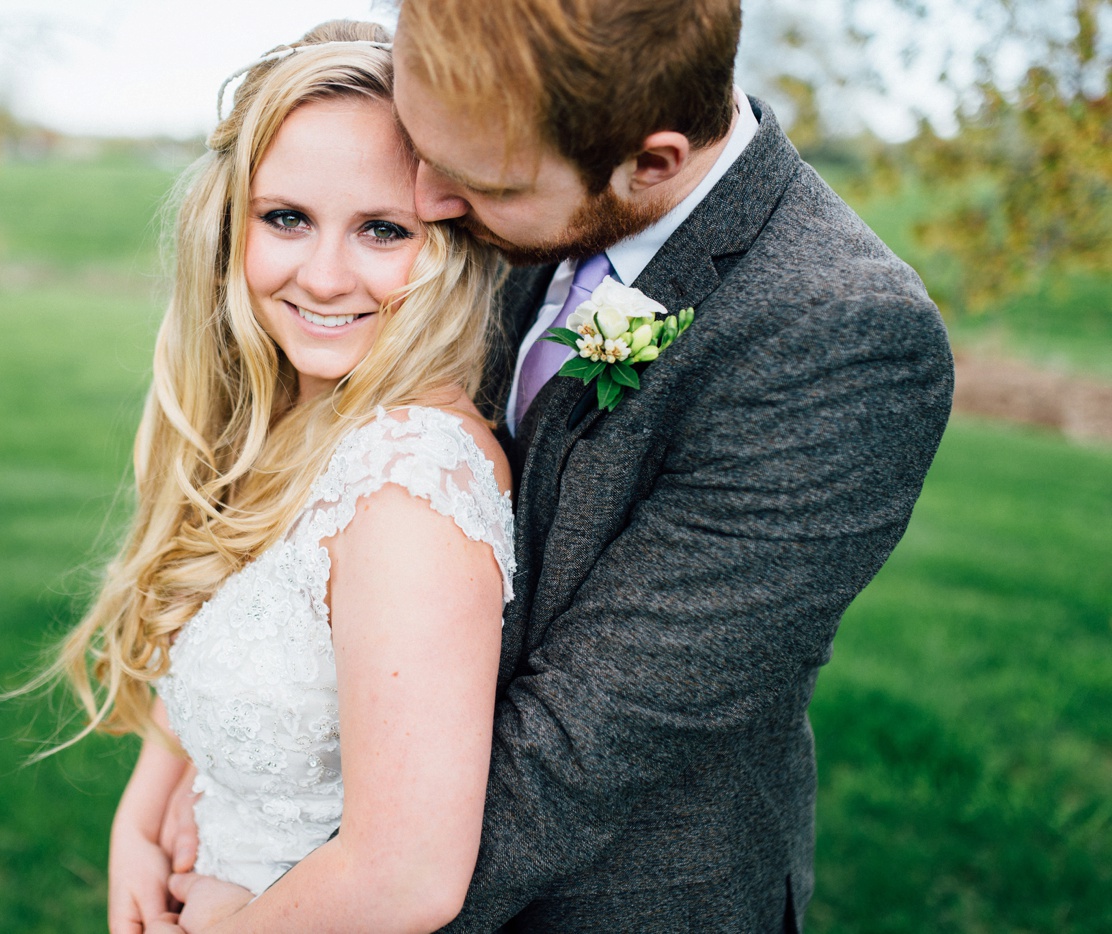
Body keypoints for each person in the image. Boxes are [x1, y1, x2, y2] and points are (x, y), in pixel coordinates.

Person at [169, 1, 955, 932]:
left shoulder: (839, 336)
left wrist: (297, 888)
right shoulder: (509, 173)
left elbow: (582, 750)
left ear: (650, 163)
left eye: (474, 182)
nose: (425, 201)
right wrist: (220, 773)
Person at [49, 20, 518, 934]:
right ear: (234, 224)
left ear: (450, 244)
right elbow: (233, 641)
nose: (326, 275)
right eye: (288, 218)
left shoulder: (407, 486)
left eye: (384, 230)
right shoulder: (299, 421)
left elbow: (406, 879)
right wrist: (139, 820)